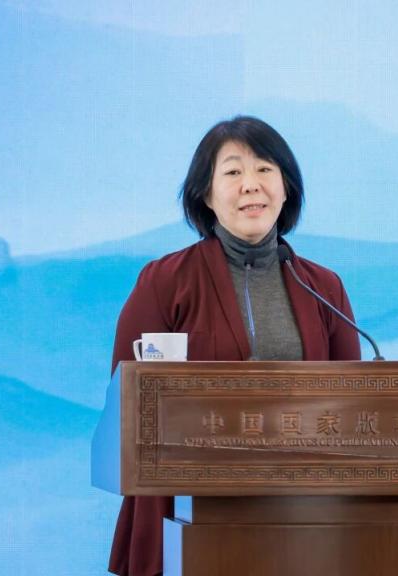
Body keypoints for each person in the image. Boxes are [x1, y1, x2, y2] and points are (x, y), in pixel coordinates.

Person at [107, 115, 361, 576]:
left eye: (265, 169)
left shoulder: (324, 287)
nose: (251, 185)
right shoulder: (165, 282)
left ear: (286, 188)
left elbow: (354, 407)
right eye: (232, 172)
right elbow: (126, 401)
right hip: (184, 512)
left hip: (301, 516)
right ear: (205, 194)